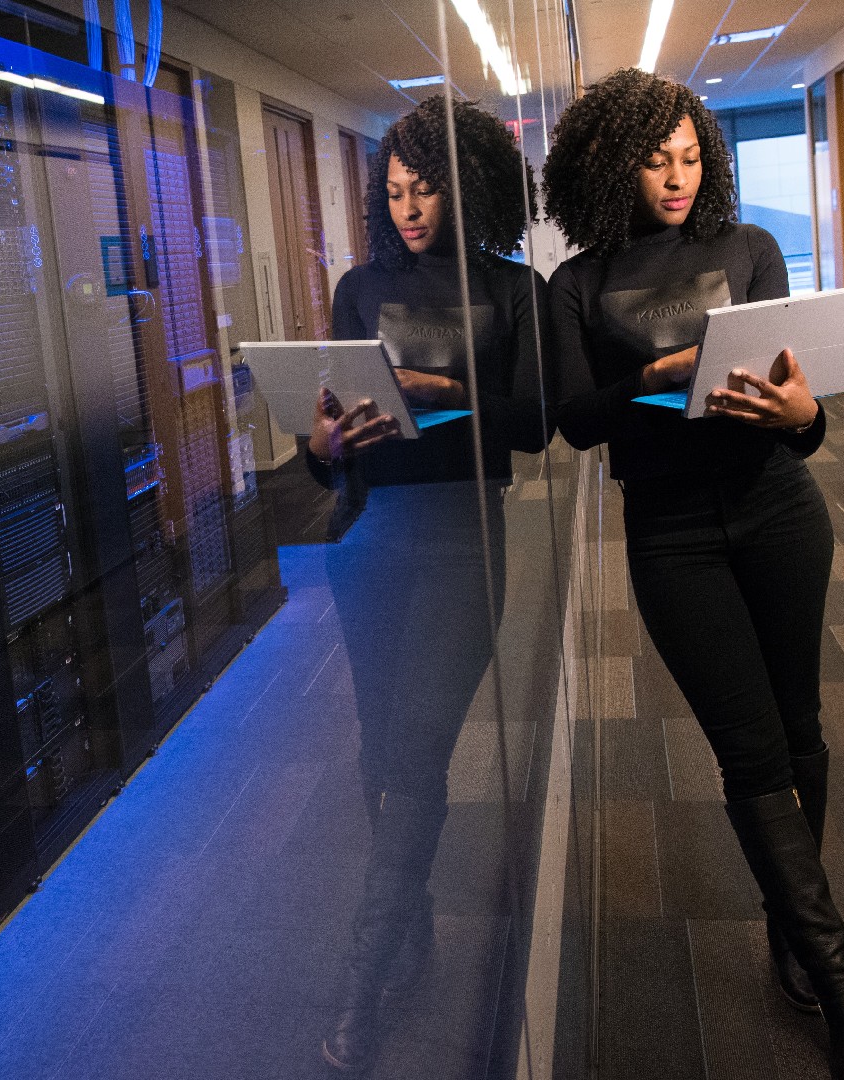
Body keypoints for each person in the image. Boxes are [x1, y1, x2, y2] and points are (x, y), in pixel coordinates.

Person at [543, 68, 844, 1080]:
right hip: (671, 534)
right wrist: (651, 378)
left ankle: (792, 927)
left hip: (780, 511)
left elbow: (800, 406)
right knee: (750, 754)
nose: (678, 176)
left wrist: (809, 417)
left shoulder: (750, 250)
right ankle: (841, 987)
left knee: (800, 730)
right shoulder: (578, 284)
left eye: (693, 156)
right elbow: (574, 421)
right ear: (613, 163)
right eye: (656, 159)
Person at [306, 95, 552, 1074]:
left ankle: (363, 981)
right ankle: (412, 936)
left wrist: (453, 395)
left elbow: (537, 427)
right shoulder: (358, 288)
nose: (410, 208)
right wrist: (323, 444)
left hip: (463, 544)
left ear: (466, 186)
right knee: (382, 752)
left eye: (427, 189)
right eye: (396, 192)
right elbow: (327, 447)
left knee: (413, 752)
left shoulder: (511, 287)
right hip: (369, 540)